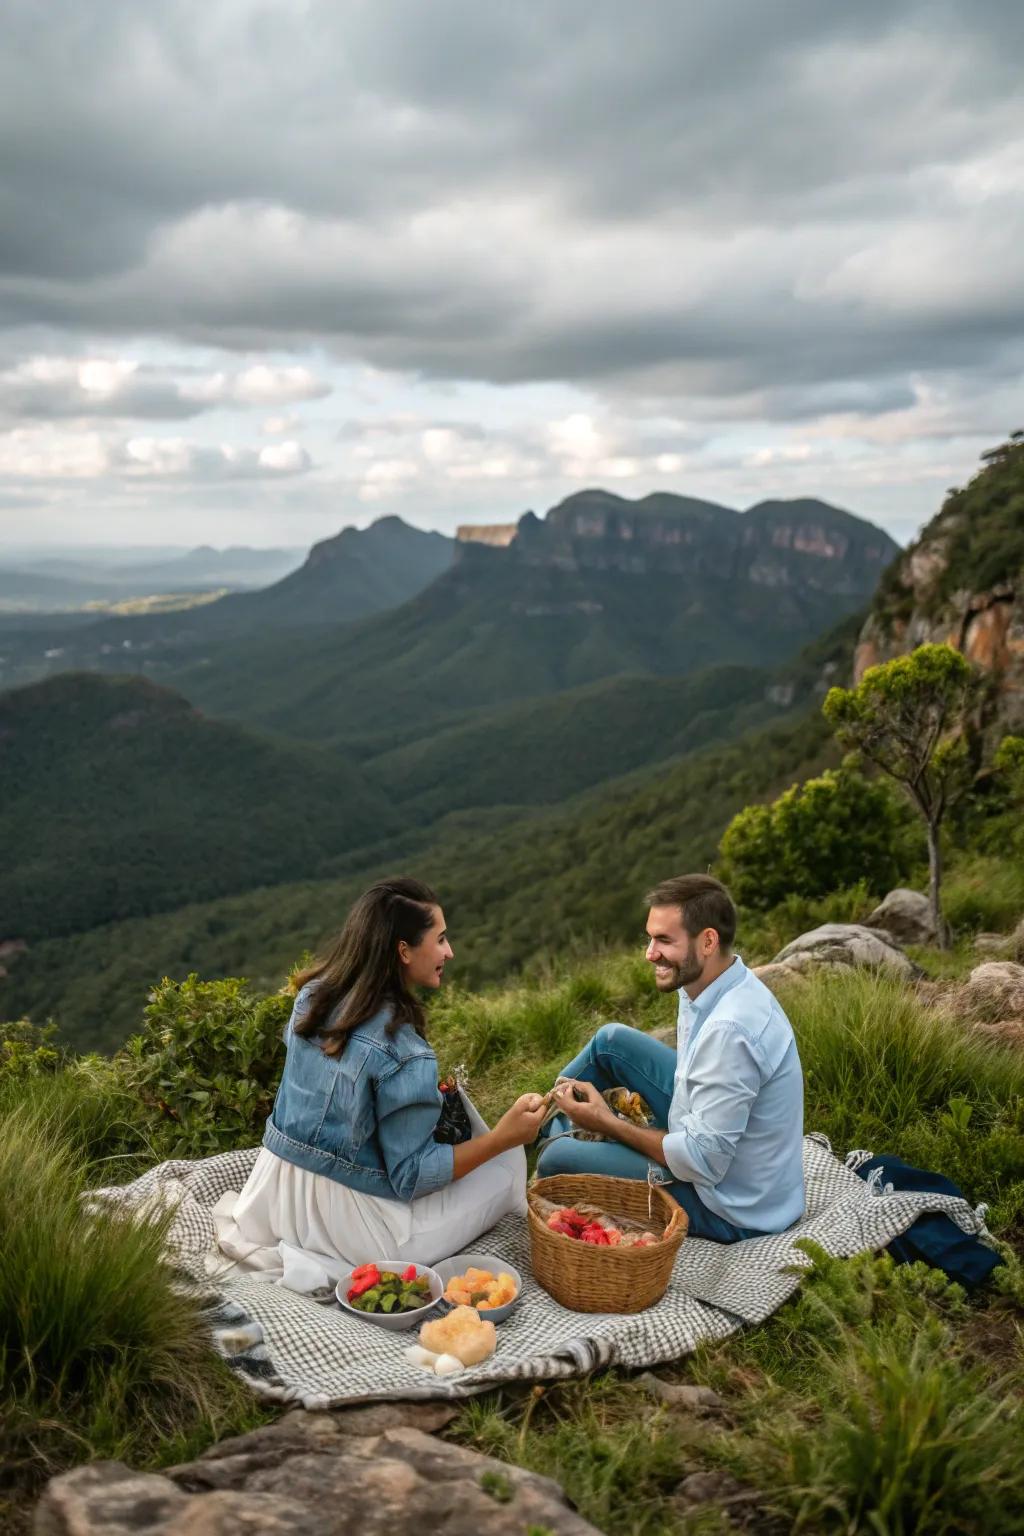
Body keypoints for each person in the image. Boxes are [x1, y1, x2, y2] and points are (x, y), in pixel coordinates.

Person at [215, 876, 548, 1281]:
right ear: (403, 951)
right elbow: (410, 1176)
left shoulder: (312, 997)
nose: (450, 951)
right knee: (507, 1165)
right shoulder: (403, 1050)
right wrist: (503, 1139)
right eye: (440, 939)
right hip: (353, 1233)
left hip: (269, 1202)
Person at [537, 874, 804, 1242]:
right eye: (650, 937)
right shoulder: (708, 982)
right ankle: (538, 1124)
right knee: (610, 1041)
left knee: (555, 1160)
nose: (650, 953)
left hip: (731, 1205)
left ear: (707, 940)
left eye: (664, 940)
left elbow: (702, 1162)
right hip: (709, 1138)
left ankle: (558, 1137)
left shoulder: (731, 1029)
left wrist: (607, 1122)